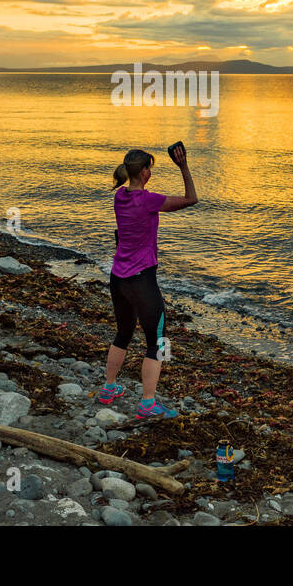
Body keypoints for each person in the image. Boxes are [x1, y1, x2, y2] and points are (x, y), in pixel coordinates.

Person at [99, 144, 197, 419]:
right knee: (159, 341)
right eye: (150, 168)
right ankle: (147, 403)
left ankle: (109, 389)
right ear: (144, 172)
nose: (150, 172)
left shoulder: (120, 196)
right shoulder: (149, 200)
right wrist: (184, 167)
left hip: (118, 278)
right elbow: (192, 199)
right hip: (142, 280)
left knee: (123, 333)